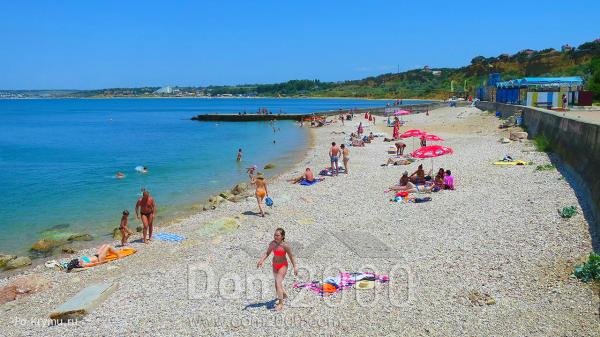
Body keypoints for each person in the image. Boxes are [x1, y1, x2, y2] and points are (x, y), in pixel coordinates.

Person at [257, 228, 298, 312]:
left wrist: (295, 267)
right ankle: (283, 294)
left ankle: (280, 303)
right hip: (275, 265)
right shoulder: (272, 244)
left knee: (278, 283)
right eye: (274, 235)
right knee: (276, 283)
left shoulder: (285, 246)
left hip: (283, 266)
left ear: (282, 236)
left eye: (277, 235)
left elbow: (291, 256)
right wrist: (261, 260)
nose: (275, 237)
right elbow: (267, 253)